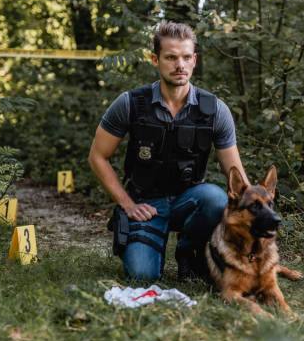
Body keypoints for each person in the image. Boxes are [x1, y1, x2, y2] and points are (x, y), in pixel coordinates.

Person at [88, 20, 248, 281]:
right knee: (141, 276)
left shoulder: (215, 109)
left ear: (194, 60)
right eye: (171, 57)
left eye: (186, 57)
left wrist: (252, 224)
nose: (180, 65)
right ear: (155, 59)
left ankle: (189, 254)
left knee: (216, 199)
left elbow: (237, 177)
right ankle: (146, 240)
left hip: (191, 201)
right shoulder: (131, 103)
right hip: (146, 202)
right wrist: (127, 205)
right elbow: (97, 156)